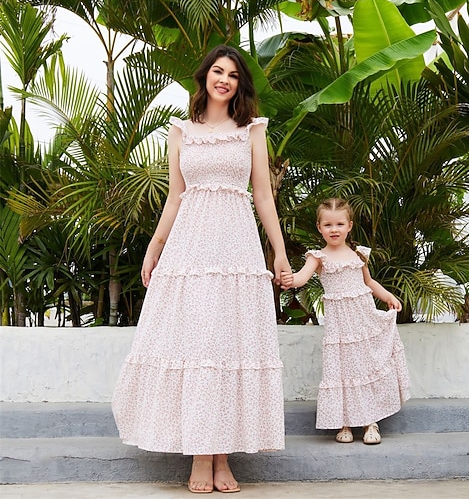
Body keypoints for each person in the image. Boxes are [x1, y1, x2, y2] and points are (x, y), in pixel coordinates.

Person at [112, 45, 291, 494]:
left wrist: (279, 252)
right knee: (195, 344)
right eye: (218, 71)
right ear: (205, 76)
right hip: (190, 250)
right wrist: (154, 247)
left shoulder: (252, 130)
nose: (224, 79)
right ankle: (199, 454)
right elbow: (175, 196)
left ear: (240, 84)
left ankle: (222, 457)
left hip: (236, 249)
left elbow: (263, 196)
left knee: (228, 345)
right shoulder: (180, 132)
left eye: (233, 74)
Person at [281, 198, 410, 445]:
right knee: (342, 370)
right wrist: (289, 279)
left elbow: (369, 282)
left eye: (339, 224)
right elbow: (301, 278)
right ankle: (345, 423)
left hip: (363, 322)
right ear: (319, 227)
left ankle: (370, 422)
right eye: (328, 224)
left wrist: (388, 296)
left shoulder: (358, 254)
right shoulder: (318, 257)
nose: (334, 229)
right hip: (340, 327)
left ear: (349, 226)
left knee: (365, 367)